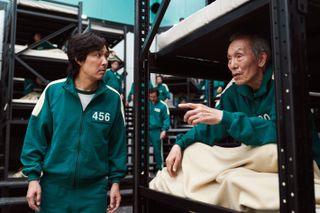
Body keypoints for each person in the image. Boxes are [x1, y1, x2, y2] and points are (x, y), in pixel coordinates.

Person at [150, 33, 320, 211]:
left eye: (239, 56)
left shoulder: (284, 82)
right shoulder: (233, 90)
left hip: (297, 160)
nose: (232, 65)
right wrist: (180, 144)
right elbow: (210, 129)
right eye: (229, 58)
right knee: (193, 151)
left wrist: (225, 117)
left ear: (261, 59)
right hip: (254, 161)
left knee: (265, 155)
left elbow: (280, 131)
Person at [21, 32, 127, 213]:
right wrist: (33, 179)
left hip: (93, 192)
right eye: (97, 55)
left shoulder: (113, 99)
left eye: (106, 56)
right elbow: (35, 138)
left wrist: (115, 182)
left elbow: (117, 146)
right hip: (54, 189)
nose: (105, 62)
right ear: (79, 59)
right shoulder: (53, 91)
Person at [149, 88, 170, 171]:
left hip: (157, 131)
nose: (152, 99)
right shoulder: (147, 104)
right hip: (146, 130)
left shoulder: (163, 106)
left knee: (158, 152)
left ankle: (160, 170)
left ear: (158, 96)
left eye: (154, 97)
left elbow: (166, 119)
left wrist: (164, 130)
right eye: (150, 97)